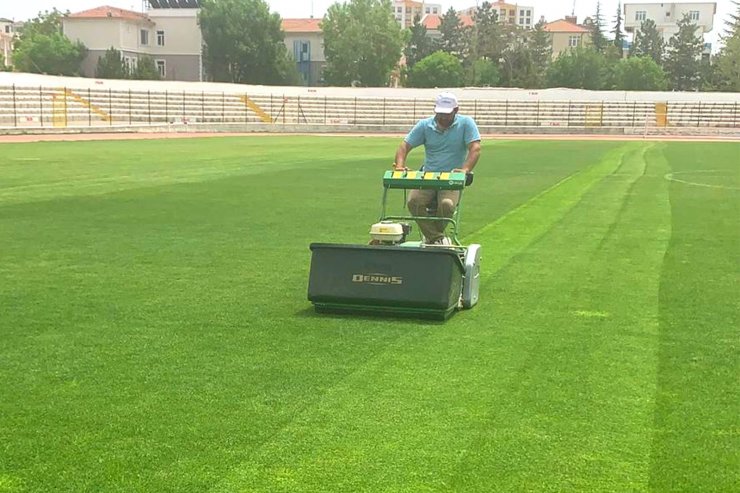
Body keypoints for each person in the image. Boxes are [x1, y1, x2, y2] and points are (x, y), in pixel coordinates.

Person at [393, 92, 481, 245]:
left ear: (456, 110)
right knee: (414, 202)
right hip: (428, 175)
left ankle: (432, 237)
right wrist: (400, 166)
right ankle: (437, 238)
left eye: (447, 114)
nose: (443, 117)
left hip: (452, 178)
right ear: (435, 110)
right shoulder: (425, 125)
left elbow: (475, 148)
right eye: (440, 113)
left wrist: (465, 169)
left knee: (447, 205)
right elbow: (404, 146)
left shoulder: (466, 123)